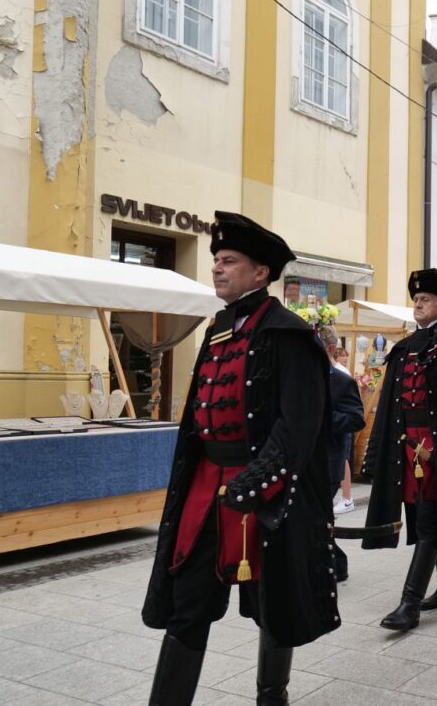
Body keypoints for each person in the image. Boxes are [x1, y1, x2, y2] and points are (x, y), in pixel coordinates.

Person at [142, 212, 338, 705]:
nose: (216, 268)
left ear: (260, 273)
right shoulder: (218, 330)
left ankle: (272, 697)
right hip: (208, 486)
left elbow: (298, 427)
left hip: (263, 492)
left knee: (274, 604)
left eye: (229, 261)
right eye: (215, 261)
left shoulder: (289, 334)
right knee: (188, 601)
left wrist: (253, 483)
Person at [361, 269, 437, 631]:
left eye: (426, 299)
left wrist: (435, 360)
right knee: (426, 515)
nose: (418, 303)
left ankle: (409, 604)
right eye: (416, 299)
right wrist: (377, 452)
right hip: (406, 448)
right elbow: (389, 407)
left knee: (429, 519)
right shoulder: (400, 349)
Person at [319, 326, 365, 581]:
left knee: (321, 515)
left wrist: (324, 419)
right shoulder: (300, 377)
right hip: (302, 460)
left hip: (328, 460)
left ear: (330, 349)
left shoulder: (341, 379)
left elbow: (356, 419)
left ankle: (336, 563)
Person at [332, 346, 360, 514]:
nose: (344, 358)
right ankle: (346, 497)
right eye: (342, 356)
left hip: (341, 422)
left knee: (343, 458)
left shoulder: (339, 372)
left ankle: (347, 498)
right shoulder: (338, 370)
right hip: (341, 420)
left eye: (345, 356)